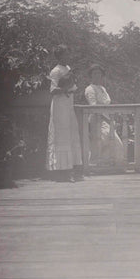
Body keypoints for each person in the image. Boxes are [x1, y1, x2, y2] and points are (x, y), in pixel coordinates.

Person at [46, 45, 83, 182]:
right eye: (65, 54)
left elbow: (73, 86)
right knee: (62, 135)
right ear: (59, 55)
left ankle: (72, 169)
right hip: (59, 106)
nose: (68, 56)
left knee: (71, 134)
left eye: (68, 54)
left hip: (68, 104)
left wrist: (71, 86)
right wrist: (65, 88)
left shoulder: (68, 68)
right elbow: (53, 90)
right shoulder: (55, 71)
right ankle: (62, 171)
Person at [84, 64, 124, 167]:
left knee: (112, 142)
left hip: (107, 119)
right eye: (95, 73)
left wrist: (110, 119)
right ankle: (97, 165)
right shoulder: (89, 89)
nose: (97, 76)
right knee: (100, 143)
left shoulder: (102, 88)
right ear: (91, 76)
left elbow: (107, 104)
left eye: (99, 73)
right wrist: (105, 119)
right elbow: (93, 106)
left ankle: (109, 165)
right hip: (97, 120)